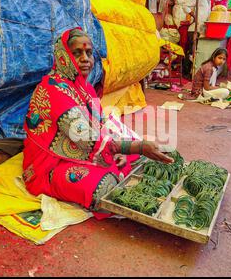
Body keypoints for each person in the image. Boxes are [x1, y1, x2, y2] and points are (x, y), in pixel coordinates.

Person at [22, 28, 174, 219]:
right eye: (77, 53)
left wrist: (120, 150)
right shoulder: (53, 90)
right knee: (105, 186)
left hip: (82, 152)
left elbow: (100, 124)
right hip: (50, 166)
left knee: (131, 160)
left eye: (89, 53)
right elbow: (86, 139)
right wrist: (138, 146)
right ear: (63, 57)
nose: (85, 58)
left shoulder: (83, 88)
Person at [183, 0, 214, 77]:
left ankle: (193, 73)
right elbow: (185, 6)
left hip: (202, 30)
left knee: (197, 53)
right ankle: (187, 73)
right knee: (192, 53)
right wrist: (194, 15)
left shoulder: (209, 1)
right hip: (194, 30)